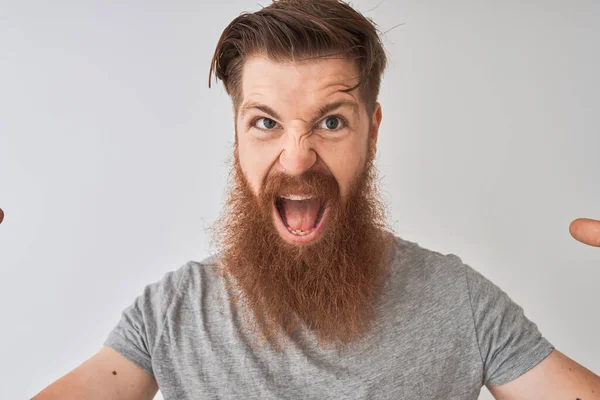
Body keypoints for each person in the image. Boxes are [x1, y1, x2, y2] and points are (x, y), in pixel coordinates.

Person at [33, 1, 600, 399]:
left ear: (372, 132)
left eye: (331, 121)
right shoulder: (172, 312)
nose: (298, 157)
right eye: (266, 123)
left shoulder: (462, 304)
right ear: (236, 133)